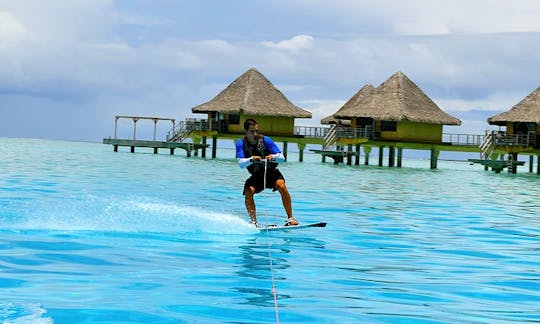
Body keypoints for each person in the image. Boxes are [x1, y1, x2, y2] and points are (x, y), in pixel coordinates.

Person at [236, 118, 298, 228]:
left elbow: (282, 158)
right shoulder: (241, 143)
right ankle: (254, 222)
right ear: (246, 132)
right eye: (252, 131)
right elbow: (241, 163)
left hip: (271, 173)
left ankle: (290, 218)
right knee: (248, 191)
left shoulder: (265, 140)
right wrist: (251, 159)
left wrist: (273, 157)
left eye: (256, 131)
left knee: (282, 186)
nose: (255, 134)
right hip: (257, 176)